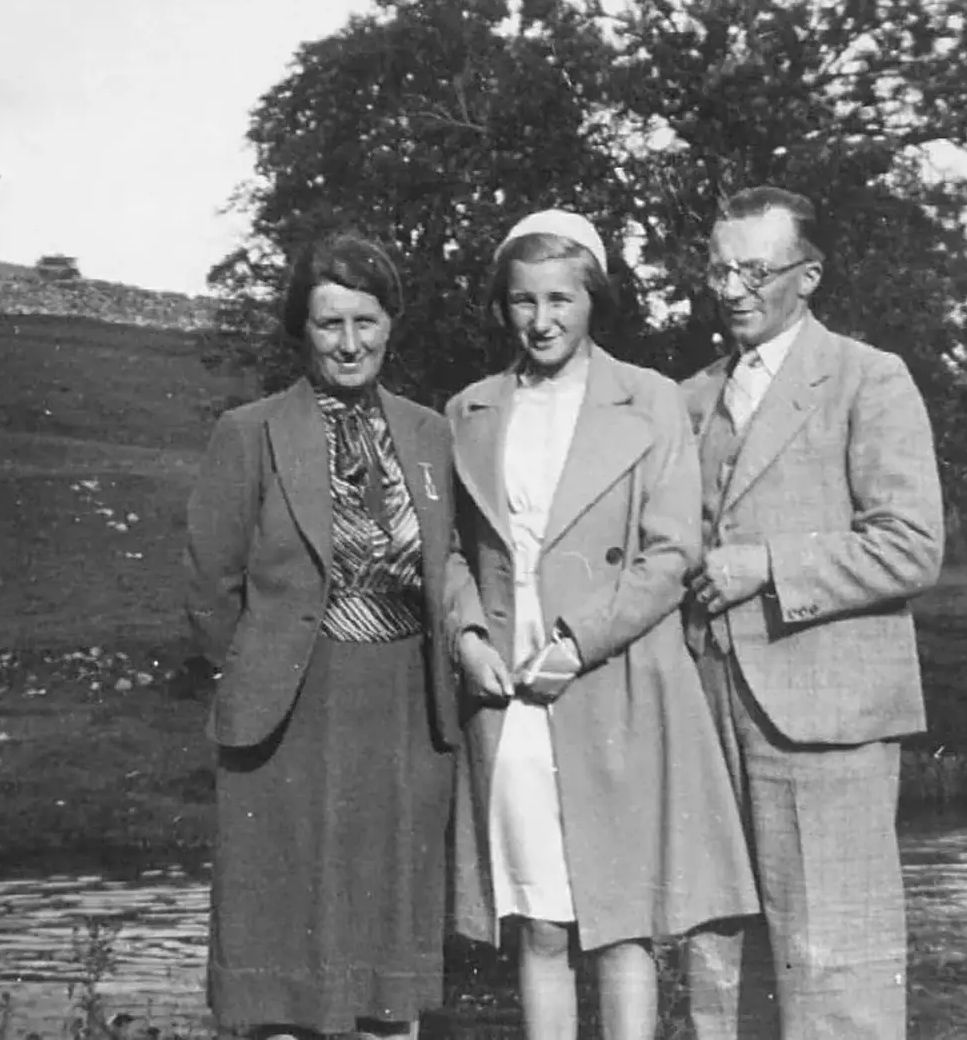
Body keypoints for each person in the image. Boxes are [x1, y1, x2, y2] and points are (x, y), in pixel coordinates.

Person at [445, 209, 755, 1040]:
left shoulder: (648, 398)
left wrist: (579, 640)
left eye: (560, 299)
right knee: (540, 923)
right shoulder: (470, 409)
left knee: (620, 923)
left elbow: (669, 551)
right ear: (503, 307)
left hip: (610, 678)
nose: (541, 320)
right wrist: (469, 636)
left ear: (593, 300)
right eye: (522, 301)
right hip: (509, 694)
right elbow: (449, 552)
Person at [679, 186, 945, 1040]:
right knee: (721, 970)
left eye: (755, 268)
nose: (731, 287)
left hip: (826, 720)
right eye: (719, 267)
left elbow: (911, 543)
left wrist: (767, 565)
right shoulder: (688, 398)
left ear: (810, 275)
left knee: (836, 974)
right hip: (709, 712)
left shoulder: (871, 377)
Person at [184, 232, 459, 1040]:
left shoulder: (430, 433)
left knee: (384, 953)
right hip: (288, 719)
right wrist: (264, 673)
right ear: (301, 328)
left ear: (390, 323)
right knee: (285, 957)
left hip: (404, 711)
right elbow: (209, 589)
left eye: (366, 321)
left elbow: (449, 565)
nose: (349, 343)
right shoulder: (251, 431)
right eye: (329, 322)